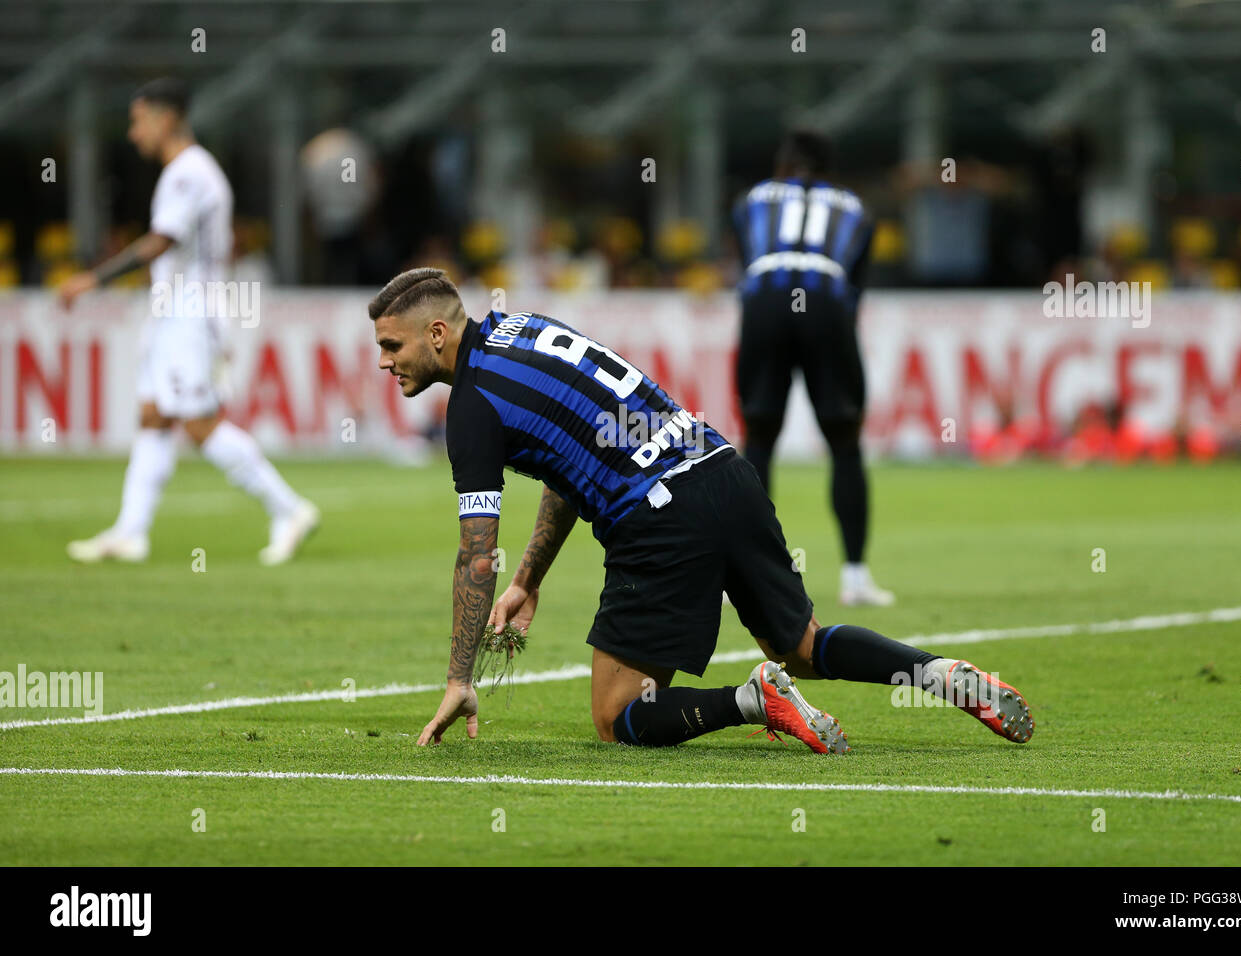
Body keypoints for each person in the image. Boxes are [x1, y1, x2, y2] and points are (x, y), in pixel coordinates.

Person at [368, 267, 1034, 751]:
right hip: (723, 471)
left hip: (661, 518)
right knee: (803, 646)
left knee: (616, 715)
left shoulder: (473, 406)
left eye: (392, 347)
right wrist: (529, 581)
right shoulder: (530, 329)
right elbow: (568, 463)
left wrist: (460, 676)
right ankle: (940, 674)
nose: (384, 363)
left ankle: (753, 699)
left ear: (435, 333)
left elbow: (475, 552)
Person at [58, 78, 318, 566]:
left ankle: (289, 510)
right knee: (154, 416)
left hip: (189, 314)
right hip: (171, 311)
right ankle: (131, 532)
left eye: (139, 121)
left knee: (199, 425)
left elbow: (160, 241)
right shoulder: (189, 171)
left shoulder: (187, 172)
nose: (134, 134)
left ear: (166, 118)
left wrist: (92, 279)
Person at [733, 130, 892, 605]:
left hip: (766, 298)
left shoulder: (751, 199)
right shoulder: (855, 207)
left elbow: (748, 262)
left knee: (759, 437)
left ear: (784, 162)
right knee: (844, 442)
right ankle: (855, 576)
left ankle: (743, 573)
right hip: (826, 301)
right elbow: (856, 289)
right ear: (828, 169)